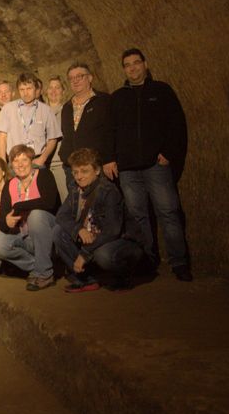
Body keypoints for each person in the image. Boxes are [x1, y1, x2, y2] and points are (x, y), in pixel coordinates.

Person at [106, 48, 192, 281]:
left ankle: (179, 262)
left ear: (145, 64)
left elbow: (176, 125)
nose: (132, 68)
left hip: (156, 165)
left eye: (136, 63)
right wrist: (110, 158)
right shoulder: (118, 97)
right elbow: (110, 131)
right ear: (123, 69)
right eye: (128, 64)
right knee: (137, 216)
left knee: (168, 212)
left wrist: (169, 153)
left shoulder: (161, 91)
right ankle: (147, 262)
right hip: (128, 168)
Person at [54, 148, 144, 292]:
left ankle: (123, 276)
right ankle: (86, 279)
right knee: (58, 232)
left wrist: (84, 254)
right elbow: (61, 215)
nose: (79, 176)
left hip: (120, 241)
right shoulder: (75, 190)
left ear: (96, 171)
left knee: (104, 255)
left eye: (84, 171)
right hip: (93, 238)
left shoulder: (108, 191)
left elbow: (112, 231)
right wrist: (78, 229)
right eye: (75, 172)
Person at [0, 145, 61, 291]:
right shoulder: (10, 185)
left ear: (31, 160)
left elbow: (49, 202)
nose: (20, 164)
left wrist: (19, 206)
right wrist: (7, 222)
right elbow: (2, 221)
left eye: (24, 159)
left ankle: (44, 274)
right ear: (11, 164)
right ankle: (38, 266)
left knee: (36, 215)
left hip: (50, 235)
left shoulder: (43, 175)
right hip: (25, 237)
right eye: (16, 161)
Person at [59, 63, 114, 195]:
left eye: (80, 76)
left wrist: (109, 159)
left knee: (102, 206)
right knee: (78, 209)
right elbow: (67, 135)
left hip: (97, 166)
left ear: (90, 78)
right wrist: (65, 157)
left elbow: (111, 131)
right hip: (73, 169)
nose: (75, 80)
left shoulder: (103, 100)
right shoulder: (66, 107)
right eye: (71, 78)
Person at [0, 73, 62, 167]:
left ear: (35, 89)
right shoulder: (8, 108)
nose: (25, 93)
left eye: (29, 89)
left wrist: (42, 158)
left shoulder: (46, 110)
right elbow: (2, 137)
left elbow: (53, 138)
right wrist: (3, 161)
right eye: (22, 89)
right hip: (14, 162)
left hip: (37, 161)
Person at [44, 76, 69, 202]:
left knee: (67, 201)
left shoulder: (68, 110)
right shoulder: (40, 111)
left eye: (57, 87)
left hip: (61, 164)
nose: (53, 91)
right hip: (44, 165)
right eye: (51, 88)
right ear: (46, 91)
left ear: (63, 91)